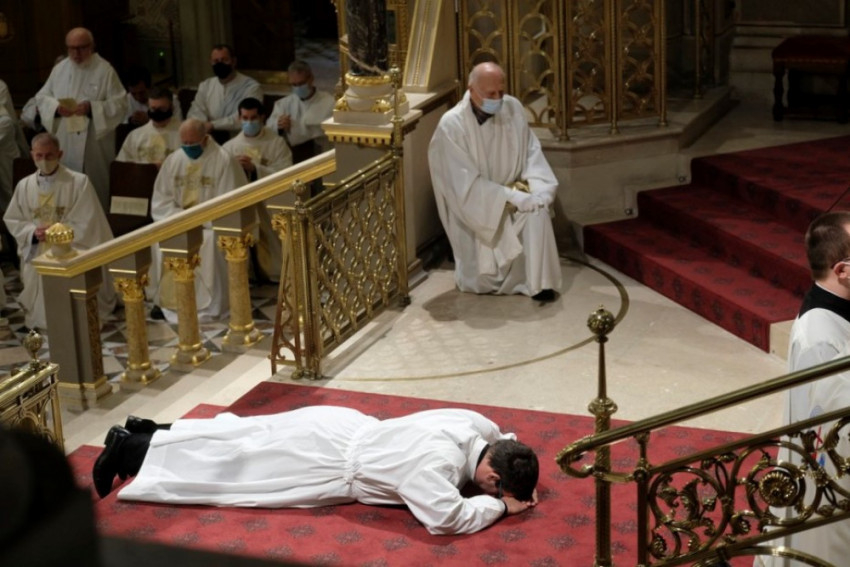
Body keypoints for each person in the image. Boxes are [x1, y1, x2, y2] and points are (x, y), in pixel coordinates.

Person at [91, 406, 539, 535]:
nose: (490, 493)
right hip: (324, 462)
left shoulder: (472, 425)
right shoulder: (437, 465)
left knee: (244, 434)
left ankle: (147, 430)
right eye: (494, 489)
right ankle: (128, 451)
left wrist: (516, 476)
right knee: (233, 469)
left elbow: (506, 437)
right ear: (493, 478)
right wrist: (500, 508)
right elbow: (447, 518)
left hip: (339, 424)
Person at [755, 211, 850, 567]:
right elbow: (834, 420)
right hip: (829, 473)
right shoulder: (819, 336)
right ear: (843, 270)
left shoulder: (837, 309)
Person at [427, 62, 562, 302]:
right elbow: (463, 186)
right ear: (471, 90)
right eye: (491, 94)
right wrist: (509, 197)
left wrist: (541, 191)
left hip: (514, 198)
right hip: (480, 210)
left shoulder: (512, 108)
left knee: (538, 212)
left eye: (501, 91)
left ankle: (539, 284)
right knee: (483, 277)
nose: (498, 99)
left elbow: (531, 153)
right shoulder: (452, 125)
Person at [2, 133, 117, 330]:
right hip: (38, 247)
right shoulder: (24, 185)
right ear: (32, 155)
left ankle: (75, 316)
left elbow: (88, 221)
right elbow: (14, 218)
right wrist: (32, 232)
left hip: (69, 248)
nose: (44, 161)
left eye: (49, 155)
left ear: (60, 154)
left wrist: (58, 232)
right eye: (39, 156)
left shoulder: (78, 182)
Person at [148, 118, 248, 322]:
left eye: (192, 143)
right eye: (184, 143)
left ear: (205, 138)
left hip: (211, 225)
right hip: (180, 221)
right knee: (160, 241)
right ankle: (167, 302)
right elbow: (161, 200)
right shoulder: (174, 160)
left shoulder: (224, 160)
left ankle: (210, 304)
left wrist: (199, 219)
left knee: (209, 245)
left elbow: (229, 203)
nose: (188, 148)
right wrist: (180, 218)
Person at [34, 27, 127, 212]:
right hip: (66, 139)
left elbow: (120, 103)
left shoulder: (104, 70)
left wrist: (92, 107)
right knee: (67, 190)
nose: (76, 54)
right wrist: (56, 107)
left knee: (94, 188)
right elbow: (42, 97)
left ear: (91, 46)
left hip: (93, 142)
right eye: (71, 48)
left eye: (81, 48)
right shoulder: (60, 69)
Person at [223, 97, 292, 282]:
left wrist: (255, 169)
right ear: (239, 118)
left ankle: (274, 272)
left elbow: (286, 173)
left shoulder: (277, 143)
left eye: (253, 118)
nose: (249, 122)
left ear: (262, 117)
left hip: (269, 200)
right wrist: (236, 168)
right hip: (242, 201)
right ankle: (247, 274)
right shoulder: (229, 147)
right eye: (245, 118)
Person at [187, 44, 263, 138]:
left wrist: (213, 125)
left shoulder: (251, 87)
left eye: (224, 60)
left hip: (240, 138)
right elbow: (196, 111)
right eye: (216, 61)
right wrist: (203, 126)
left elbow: (246, 118)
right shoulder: (206, 86)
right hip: (209, 137)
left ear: (234, 61)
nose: (220, 64)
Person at [266, 60, 335, 163]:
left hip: (320, 155)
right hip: (292, 157)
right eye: (294, 85)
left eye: (301, 83)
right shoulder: (283, 104)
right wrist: (279, 125)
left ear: (311, 79)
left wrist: (292, 127)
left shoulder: (329, 102)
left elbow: (320, 130)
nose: (298, 88)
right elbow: (268, 128)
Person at [116, 86, 181, 166]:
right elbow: (122, 166)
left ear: (171, 107)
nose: (157, 112)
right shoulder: (135, 136)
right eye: (153, 109)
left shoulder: (184, 133)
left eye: (162, 109)